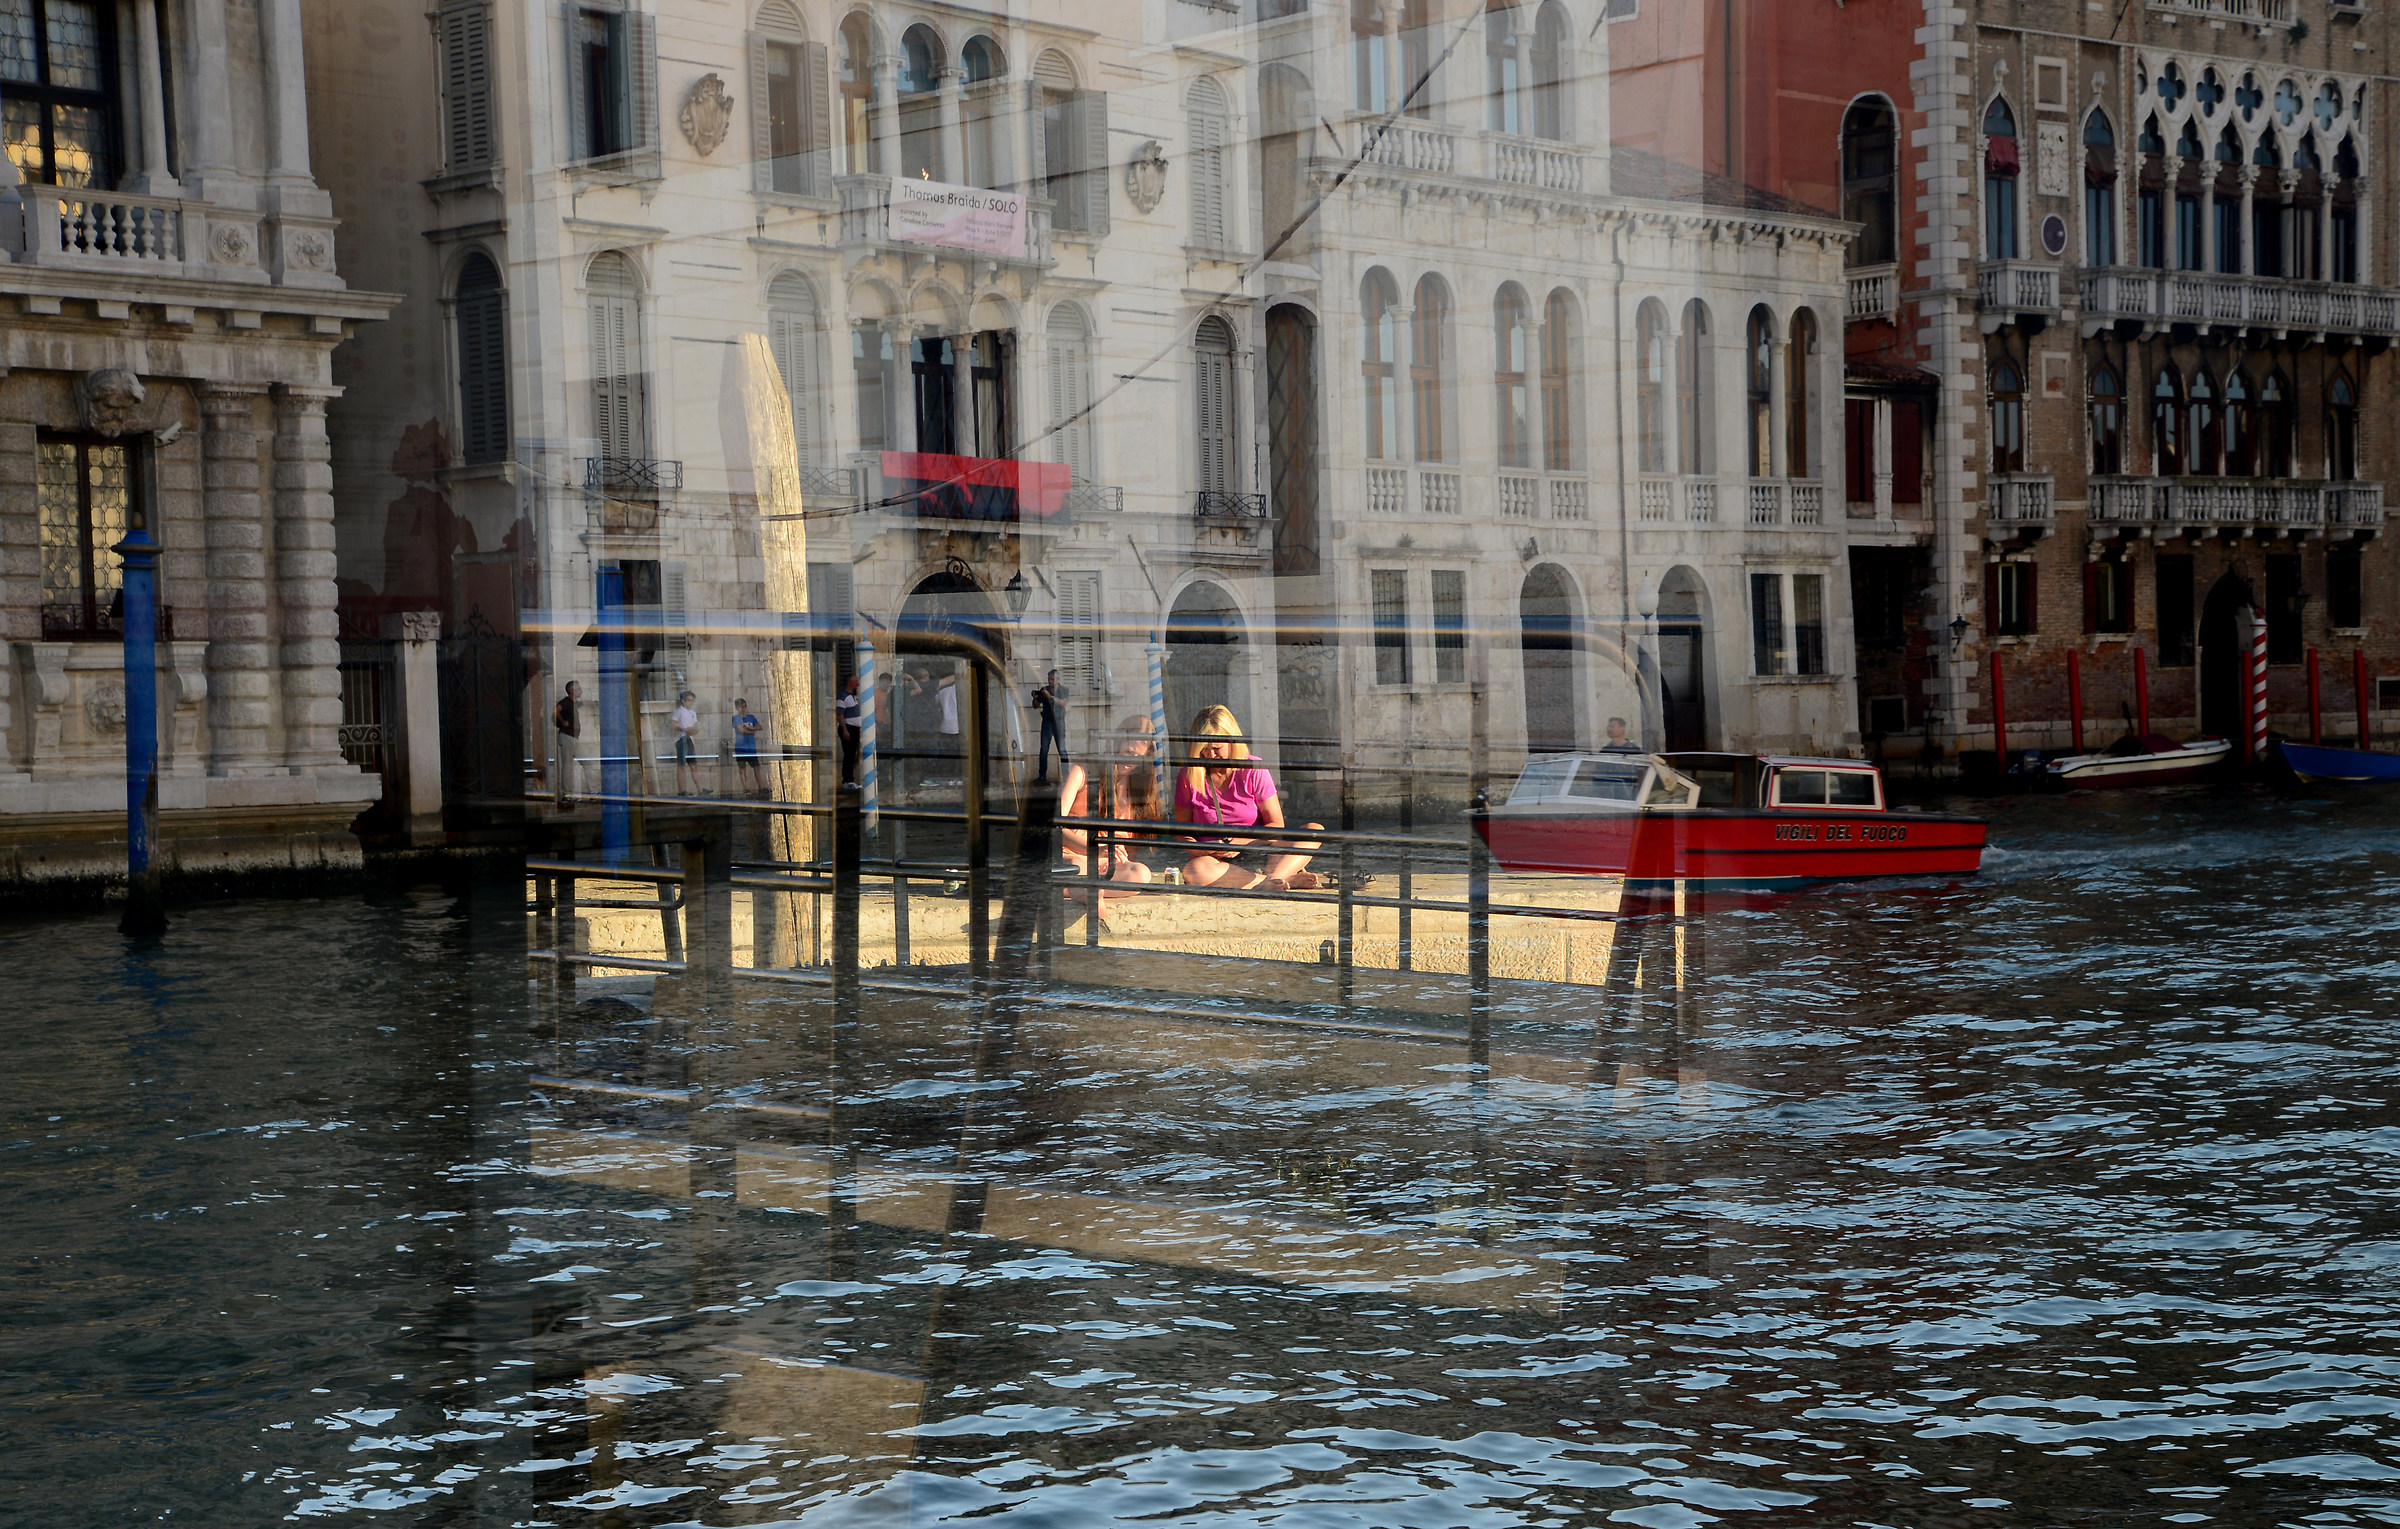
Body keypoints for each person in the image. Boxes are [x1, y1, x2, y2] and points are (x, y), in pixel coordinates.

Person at [1172, 704, 1324, 892]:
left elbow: (1276, 826)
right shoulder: (1188, 776)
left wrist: (1242, 841)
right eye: (1204, 748)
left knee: (1315, 831)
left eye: (1217, 748)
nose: (1210, 754)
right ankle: (1280, 881)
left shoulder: (1254, 768)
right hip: (1216, 860)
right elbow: (1183, 833)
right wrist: (1204, 850)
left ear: (1232, 741)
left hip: (1259, 850)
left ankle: (1274, 877)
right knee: (1195, 871)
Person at [1057, 717, 1163, 902]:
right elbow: (1054, 826)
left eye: (1138, 757)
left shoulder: (1138, 789)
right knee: (1075, 867)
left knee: (1141, 873)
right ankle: (1084, 888)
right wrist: (1093, 849)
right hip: (1076, 855)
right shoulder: (1082, 772)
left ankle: (1081, 890)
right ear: (1117, 742)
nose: (1130, 760)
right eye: (1128, 752)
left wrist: (1121, 859)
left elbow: (1131, 851)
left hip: (1108, 865)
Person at [1031, 668, 1070, 781]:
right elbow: (1035, 706)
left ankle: (1066, 775)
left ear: (1058, 679)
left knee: (1062, 749)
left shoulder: (1064, 690)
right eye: (1049, 679)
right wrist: (1035, 698)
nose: (1050, 681)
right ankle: (1042, 776)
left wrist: (1050, 697)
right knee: (1043, 749)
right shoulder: (1044, 689)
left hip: (1059, 722)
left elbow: (1064, 702)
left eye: (1052, 679)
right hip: (1047, 722)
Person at [552, 680, 582, 805]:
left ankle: (593, 791)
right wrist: (563, 722)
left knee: (587, 762)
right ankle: (567, 794)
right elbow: (555, 710)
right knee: (567, 766)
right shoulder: (566, 701)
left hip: (573, 737)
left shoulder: (573, 703)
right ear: (572, 691)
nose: (581, 691)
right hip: (567, 737)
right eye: (579, 689)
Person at [730, 697, 764, 796]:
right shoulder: (736, 718)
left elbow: (760, 726)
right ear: (737, 708)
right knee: (742, 768)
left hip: (751, 747)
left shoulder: (751, 717)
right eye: (741, 707)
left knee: (756, 767)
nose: (743, 709)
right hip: (741, 747)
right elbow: (740, 730)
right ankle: (746, 788)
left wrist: (751, 728)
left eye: (744, 706)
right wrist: (752, 730)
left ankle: (761, 787)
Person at [671, 689, 702, 796]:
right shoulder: (679, 711)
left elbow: (695, 726)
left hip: (690, 739)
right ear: (683, 701)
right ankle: (682, 790)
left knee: (694, 765)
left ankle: (700, 789)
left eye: (692, 700)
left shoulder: (693, 713)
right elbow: (673, 725)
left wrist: (694, 730)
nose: (691, 703)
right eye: (689, 700)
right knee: (681, 765)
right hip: (681, 738)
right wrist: (684, 729)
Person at [834, 673, 863, 784]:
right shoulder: (843, 696)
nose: (858, 684)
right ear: (849, 683)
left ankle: (850, 779)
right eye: (855, 681)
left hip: (854, 729)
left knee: (853, 754)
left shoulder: (852, 696)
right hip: (849, 729)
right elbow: (839, 714)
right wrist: (845, 730)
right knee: (849, 755)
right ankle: (847, 780)